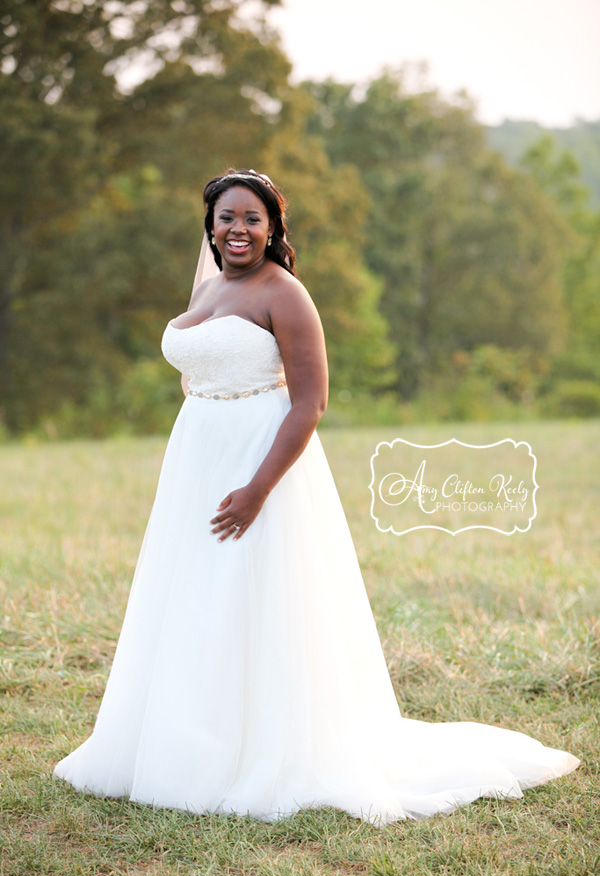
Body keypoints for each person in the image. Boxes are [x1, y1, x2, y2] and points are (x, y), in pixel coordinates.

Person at [54, 169, 580, 825]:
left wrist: (255, 489)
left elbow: (311, 402)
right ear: (210, 226)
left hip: (260, 463)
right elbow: (202, 373)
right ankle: (183, 739)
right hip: (198, 458)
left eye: (251, 217)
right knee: (194, 596)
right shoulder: (212, 286)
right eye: (226, 218)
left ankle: (258, 749)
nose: (237, 229)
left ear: (273, 226)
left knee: (252, 596)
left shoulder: (286, 294)